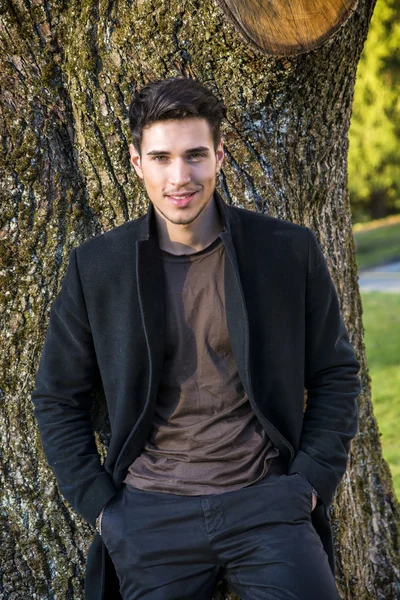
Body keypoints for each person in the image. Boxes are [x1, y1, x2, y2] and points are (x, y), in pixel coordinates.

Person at [31, 76, 361, 600]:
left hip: (268, 506)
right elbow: (55, 397)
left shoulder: (286, 250)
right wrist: (102, 508)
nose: (179, 177)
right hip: (149, 516)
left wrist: (311, 484)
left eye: (195, 155)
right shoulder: (97, 268)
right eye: (161, 157)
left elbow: (336, 373)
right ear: (136, 163)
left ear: (220, 156)